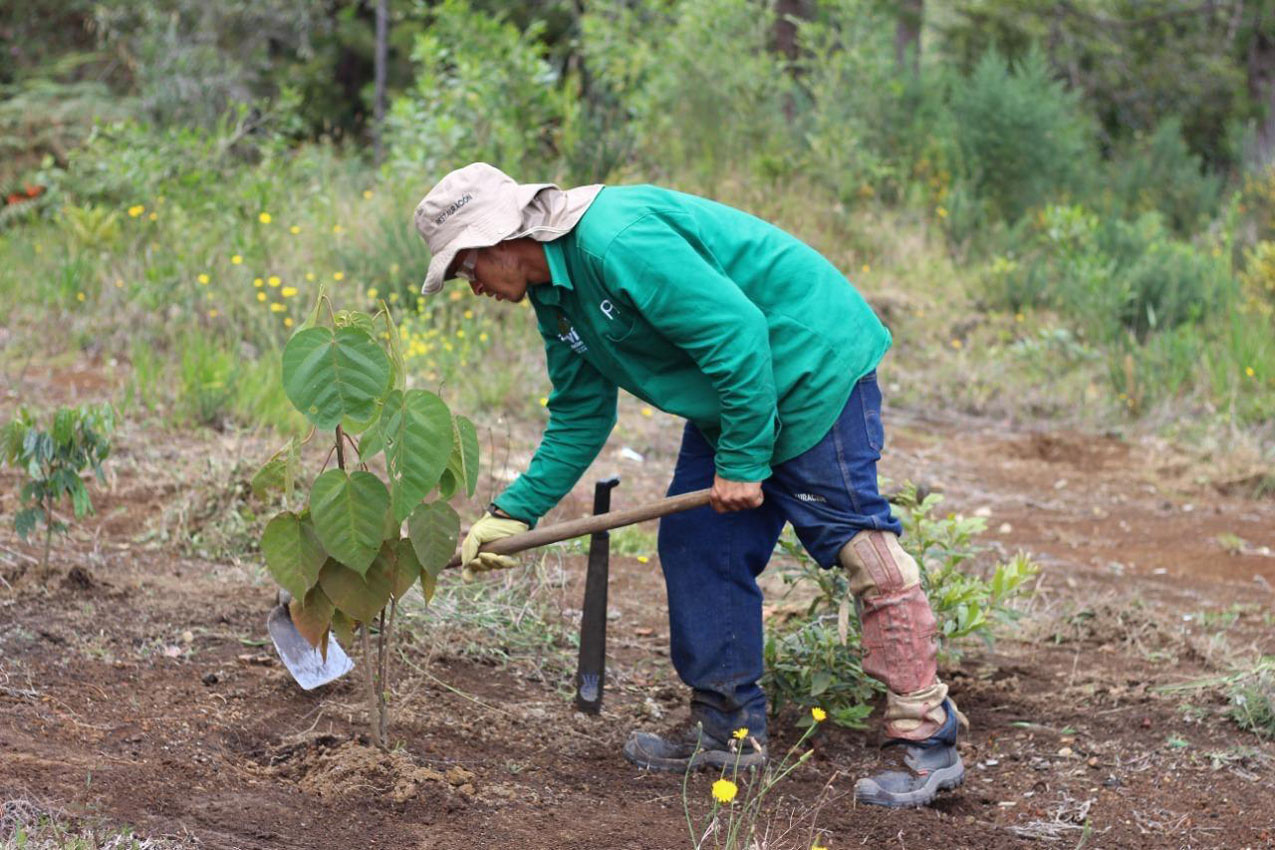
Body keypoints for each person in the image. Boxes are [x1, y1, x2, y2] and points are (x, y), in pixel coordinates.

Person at [413, 162, 967, 808]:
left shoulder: (616, 243)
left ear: (497, 239)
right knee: (696, 541)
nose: (468, 285)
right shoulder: (554, 294)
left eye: (463, 267)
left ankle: (926, 738)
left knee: (860, 549)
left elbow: (736, 332)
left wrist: (741, 460)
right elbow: (580, 415)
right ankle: (727, 731)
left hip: (808, 368)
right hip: (735, 394)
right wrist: (514, 512)